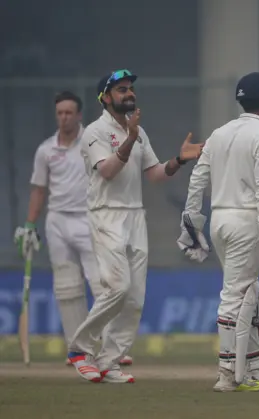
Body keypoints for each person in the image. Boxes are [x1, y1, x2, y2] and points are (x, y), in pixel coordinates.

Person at [66, 69, 203, 383]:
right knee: (118, 288)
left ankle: (108, 362)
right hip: (106, 215)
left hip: (134, 216)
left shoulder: (139, 133)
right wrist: (128, 138)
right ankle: (79, 349)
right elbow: (109, 172)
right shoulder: (95, 132)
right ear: (105, 97)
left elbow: (154, 174)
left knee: (135, 297)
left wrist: (179, 160)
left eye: (130, 89)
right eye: (122, 89)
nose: (130, 94)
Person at [178, 72, 259, 392]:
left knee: (248, 292)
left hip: (220, 221)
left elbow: (197, 179)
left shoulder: (218, 134)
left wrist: (191, 225)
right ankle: (227, 374)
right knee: (236, 295)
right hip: (246, 222)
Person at [14, 91, 133, 368]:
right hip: (57, 221)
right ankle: (77, 349)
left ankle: (111, 347)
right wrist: (30, 225)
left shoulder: (91, 141)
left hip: (88, 218)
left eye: (69, 112)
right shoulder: (45, 150)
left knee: (101, 283)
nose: (64, 117)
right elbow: (38, 189)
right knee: (67, 288)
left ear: (78, 115)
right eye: (60, 113)